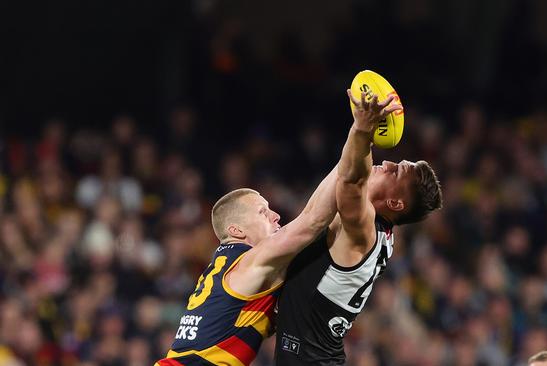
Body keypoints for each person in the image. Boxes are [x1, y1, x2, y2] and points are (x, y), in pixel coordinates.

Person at [155, 93, 402, 366]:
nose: (275, 215)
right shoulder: (250, 261)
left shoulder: (232, 271)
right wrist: (360, 133)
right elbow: (312, 221)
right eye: (262, 211)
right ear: (236, 230)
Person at [274, 90, 443, 365]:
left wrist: (362, 129)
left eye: (395, 171)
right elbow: (356, 173)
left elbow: (351, 182)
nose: (386, 163)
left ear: (395, 203)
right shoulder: (378, 230)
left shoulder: (363, 231)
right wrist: (365, 133)